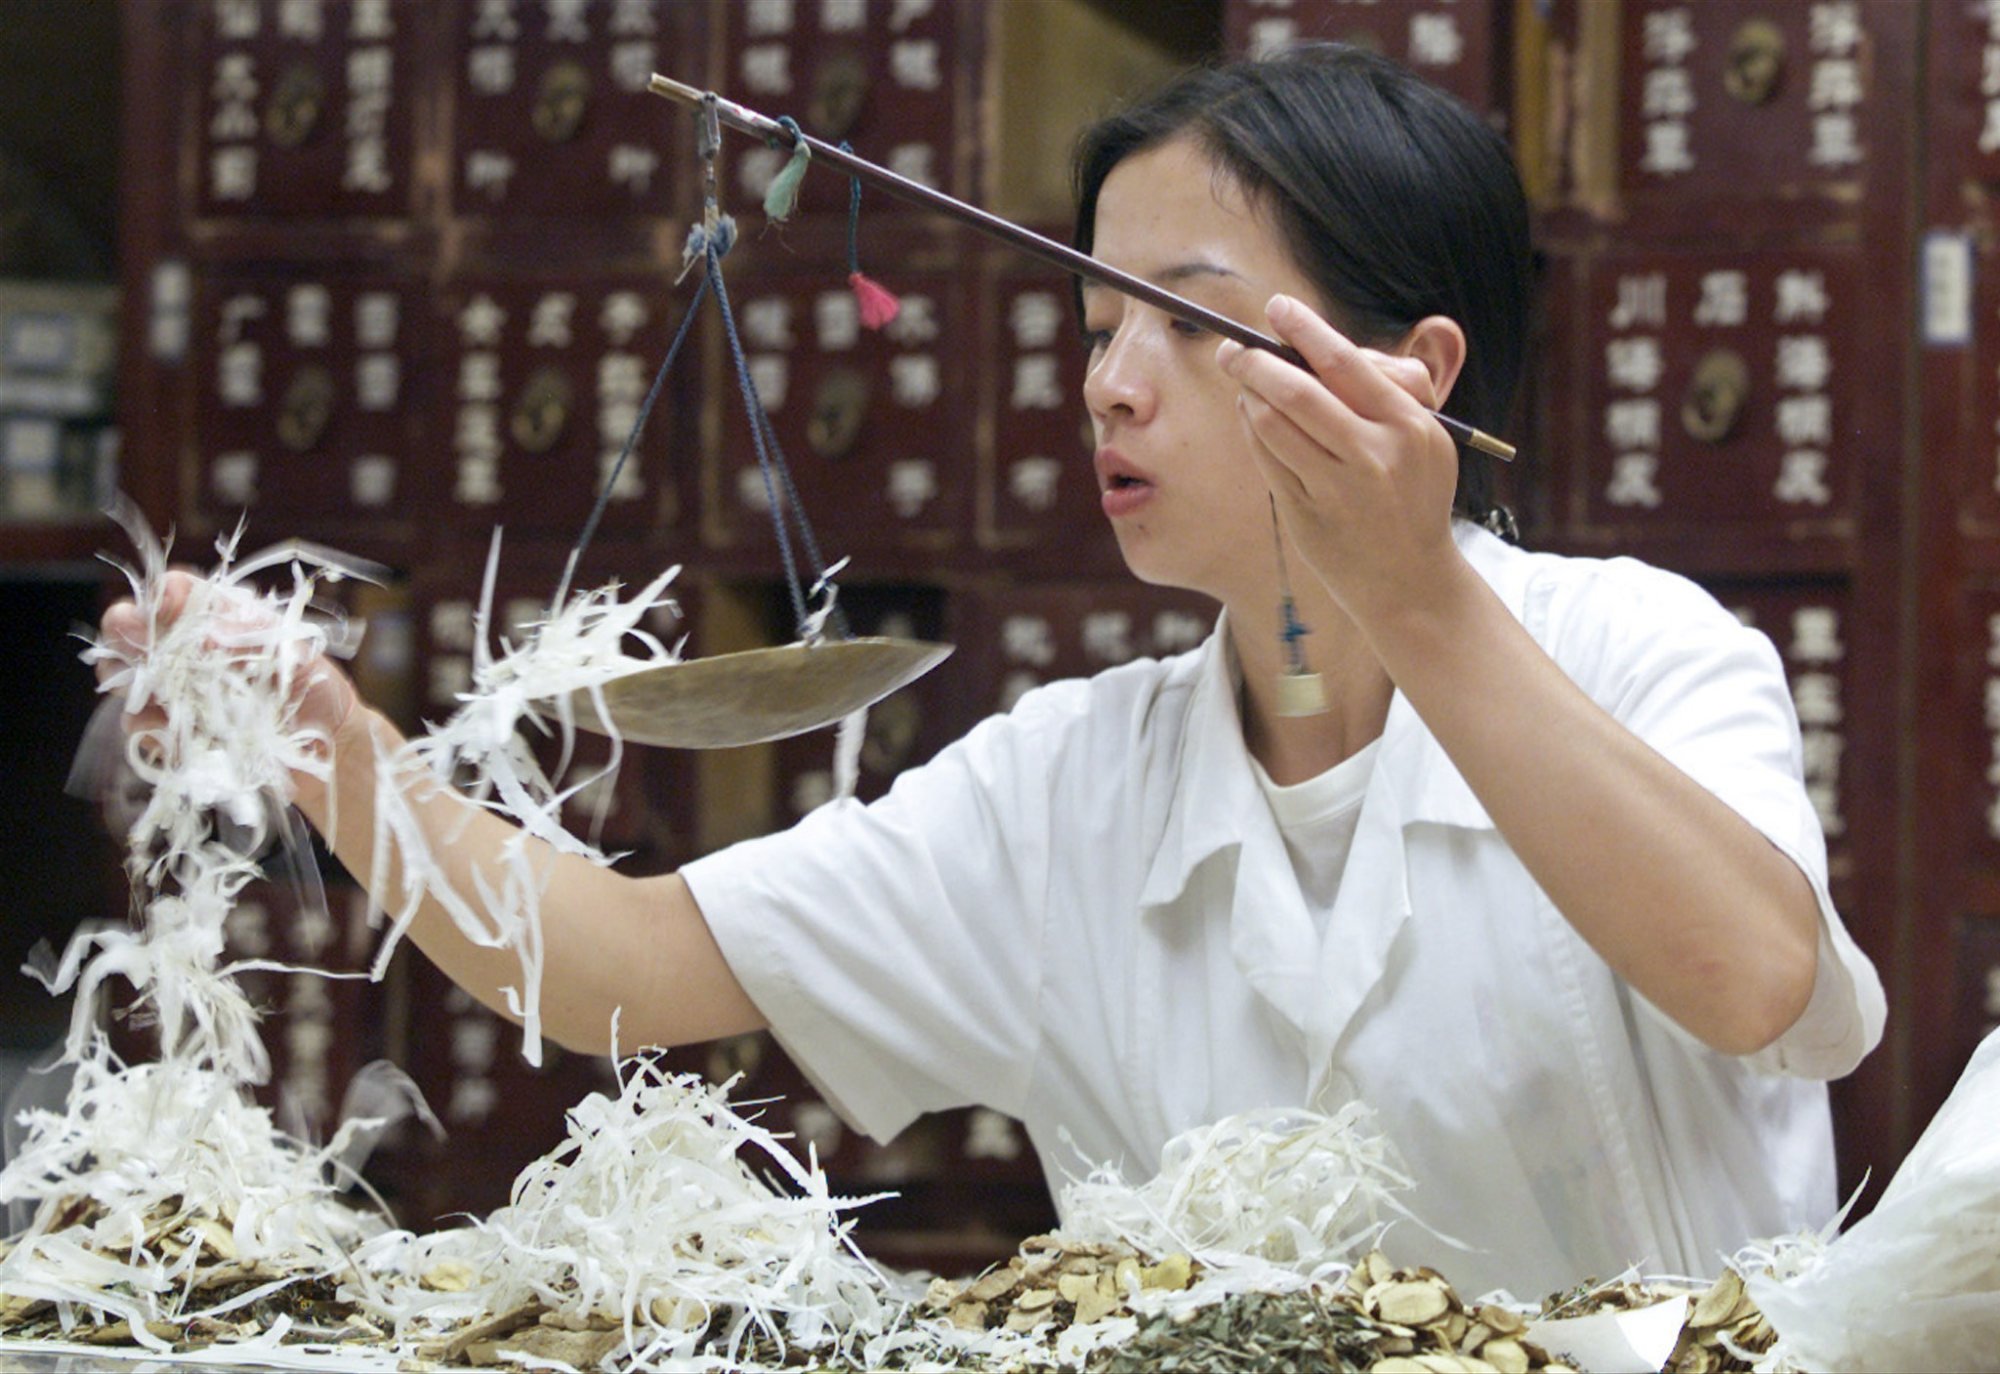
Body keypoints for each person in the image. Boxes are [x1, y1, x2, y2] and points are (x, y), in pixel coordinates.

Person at [101, 44, 1882, 1297]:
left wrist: (1413, 597)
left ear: (1409, 374)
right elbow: (615, 967)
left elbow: (1755, 982)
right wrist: (338, 752)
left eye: (1183, 319)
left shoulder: (1645, 650)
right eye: (1097, 323)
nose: (1108, 382)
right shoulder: (1071, 782)